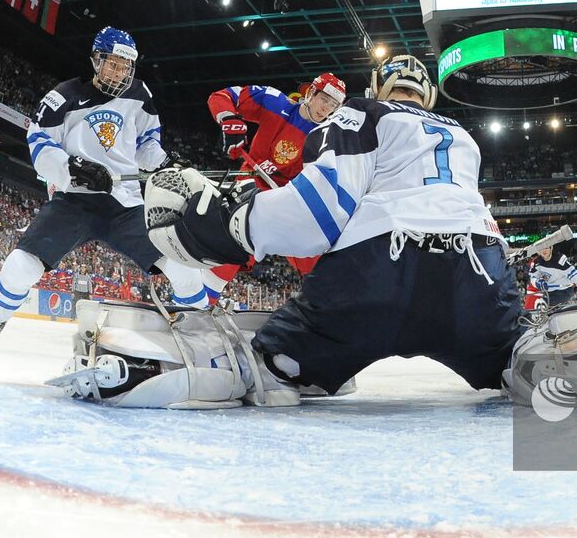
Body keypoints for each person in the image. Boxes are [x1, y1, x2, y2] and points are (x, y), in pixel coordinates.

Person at [144, 54, 524, 401]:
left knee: (274, 364)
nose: (328, 107)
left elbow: (318, 213)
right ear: (427, 97)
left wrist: (230, 226)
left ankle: (252, 362)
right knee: (518, 358)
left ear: (376, 89)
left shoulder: (363, 112)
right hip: (480, 277)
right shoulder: (463, 136)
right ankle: (536, 360)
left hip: (378, 273)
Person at [0, 27, 205, 347]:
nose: (119, 72)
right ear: (96, 60)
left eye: (125, 66)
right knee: (20, 265)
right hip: (74, 200)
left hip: (126, 205)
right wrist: (74, 167)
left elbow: (147, 145)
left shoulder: (140, 95)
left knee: (182, 262)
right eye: (113, 63)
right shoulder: (62, 96)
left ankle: (203, 330)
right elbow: (40, 144)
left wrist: (165, 163)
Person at [203, 72, 346, 296]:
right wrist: (229, 119)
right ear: (310, 93)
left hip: (293, 194)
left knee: (316, 247)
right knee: (238, 236)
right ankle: (203, 298)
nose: (327, 108)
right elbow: (222, 96)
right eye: (325, 99)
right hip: (253, 181)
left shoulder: (329, 137)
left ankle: (321, 305)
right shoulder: (273, 101)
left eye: (334, 105)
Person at [528, 243, 577, 308]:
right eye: (541, 249)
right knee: (538, 305)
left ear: (551, 248)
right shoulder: (537, 262)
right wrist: (537, 283)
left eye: (546, 248)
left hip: (564, 291)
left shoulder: (559, 260)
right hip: (549, 292)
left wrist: (576, 282)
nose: (544, 251)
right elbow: (533, 277)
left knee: (542, 303)